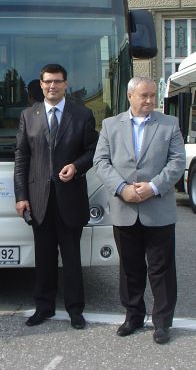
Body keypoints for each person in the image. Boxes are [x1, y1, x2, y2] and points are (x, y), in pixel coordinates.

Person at [93, 76, 185, 344]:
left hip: (158, 209)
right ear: (130, 96)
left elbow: (177, 161)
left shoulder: (169, 124)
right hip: (125, 209)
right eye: (144, 96)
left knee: (161, 269)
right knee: (130, 268)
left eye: (153, 96)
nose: (150, 101)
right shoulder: (111, 126)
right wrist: (123, 188)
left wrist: (154, 187)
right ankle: (133, 315)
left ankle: (162, 322)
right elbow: (101, 161)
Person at [14, 64, 98, 328]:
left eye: (57, 81)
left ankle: (75, 311)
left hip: (70, 198)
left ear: (66, 84)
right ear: (40, 84)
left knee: (72, 259)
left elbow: (94, 150)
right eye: (47, 81)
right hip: (39, 200)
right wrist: (21, 196)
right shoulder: (29, 116)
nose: (52, 86)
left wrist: (76, 166)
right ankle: (44, 307)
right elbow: (21, 158)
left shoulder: (82, 114)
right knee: (45, 258)